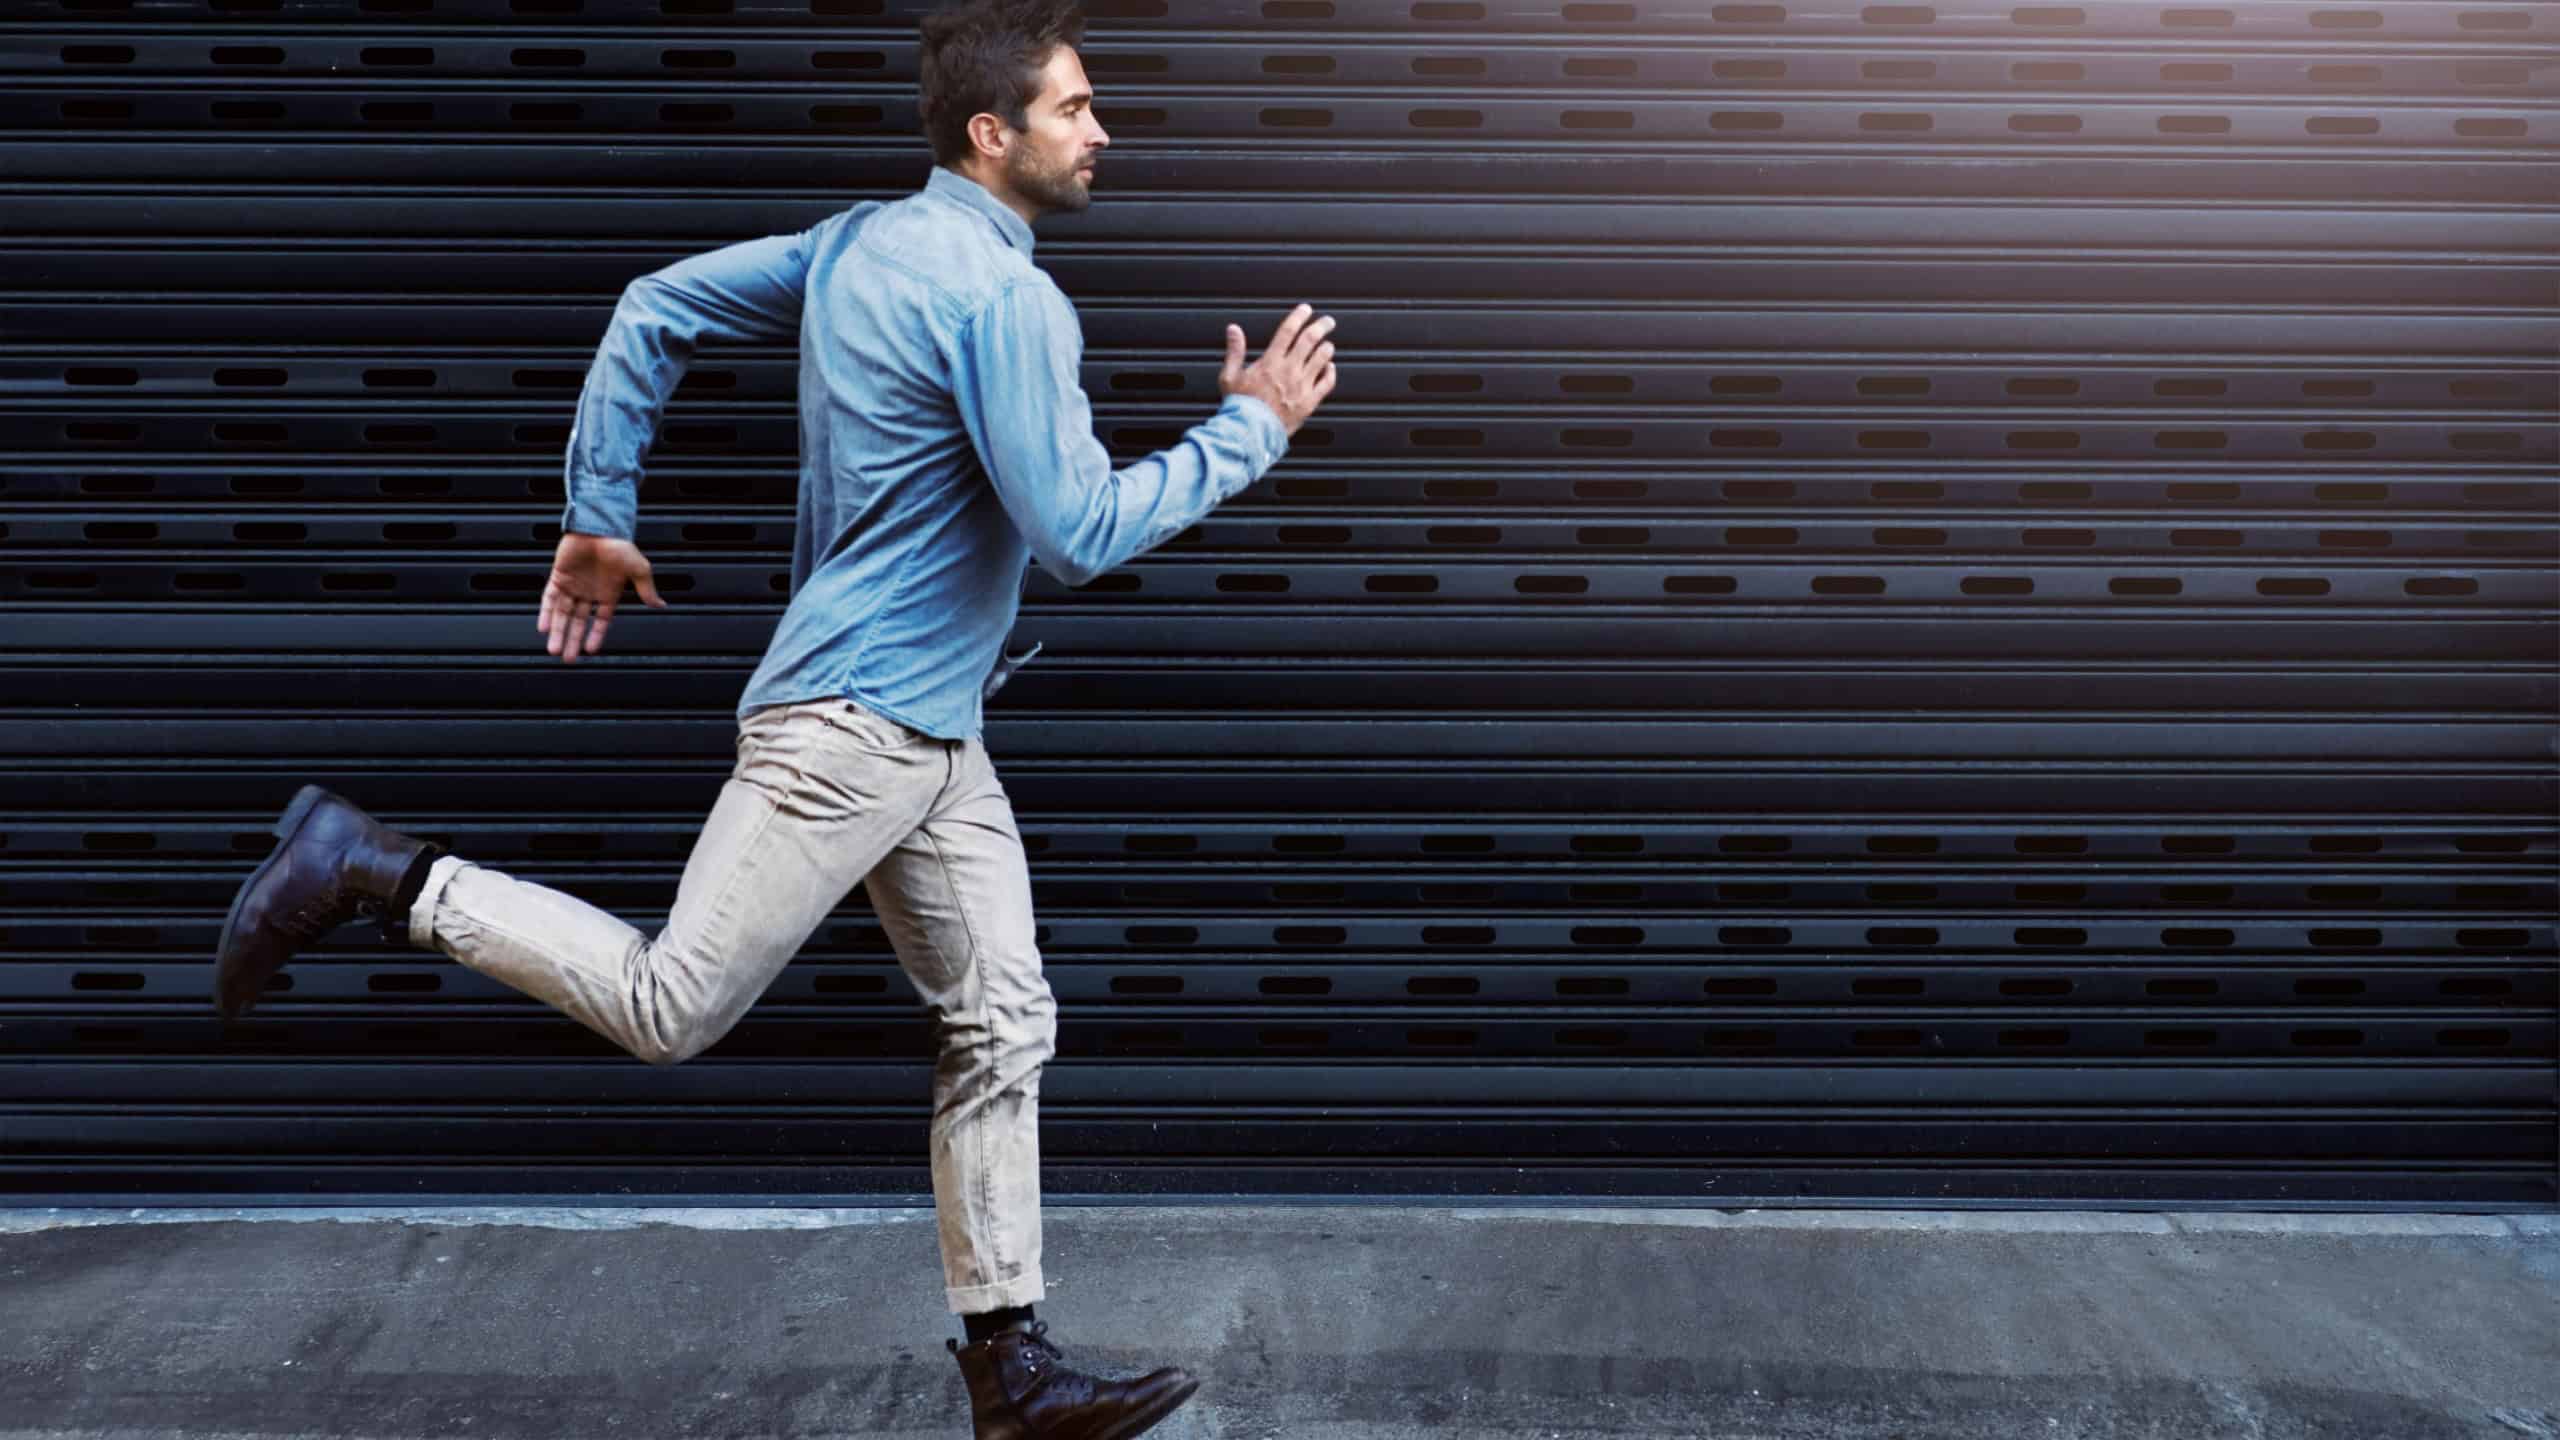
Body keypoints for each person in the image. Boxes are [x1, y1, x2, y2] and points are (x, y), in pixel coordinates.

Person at [210, 1, 1337, 1434]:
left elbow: (653, 306)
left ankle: (1012, 1372)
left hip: (930, 737)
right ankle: (377, 871)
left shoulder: (855, 244)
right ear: (992, 133)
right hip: (856, 728)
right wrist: (1251, 431)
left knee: (1003, 1018)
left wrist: (598, 508)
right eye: (1072, 108)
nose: (1099, 132)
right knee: (669, 1005)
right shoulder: (1007, 300)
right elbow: (1077, 530)